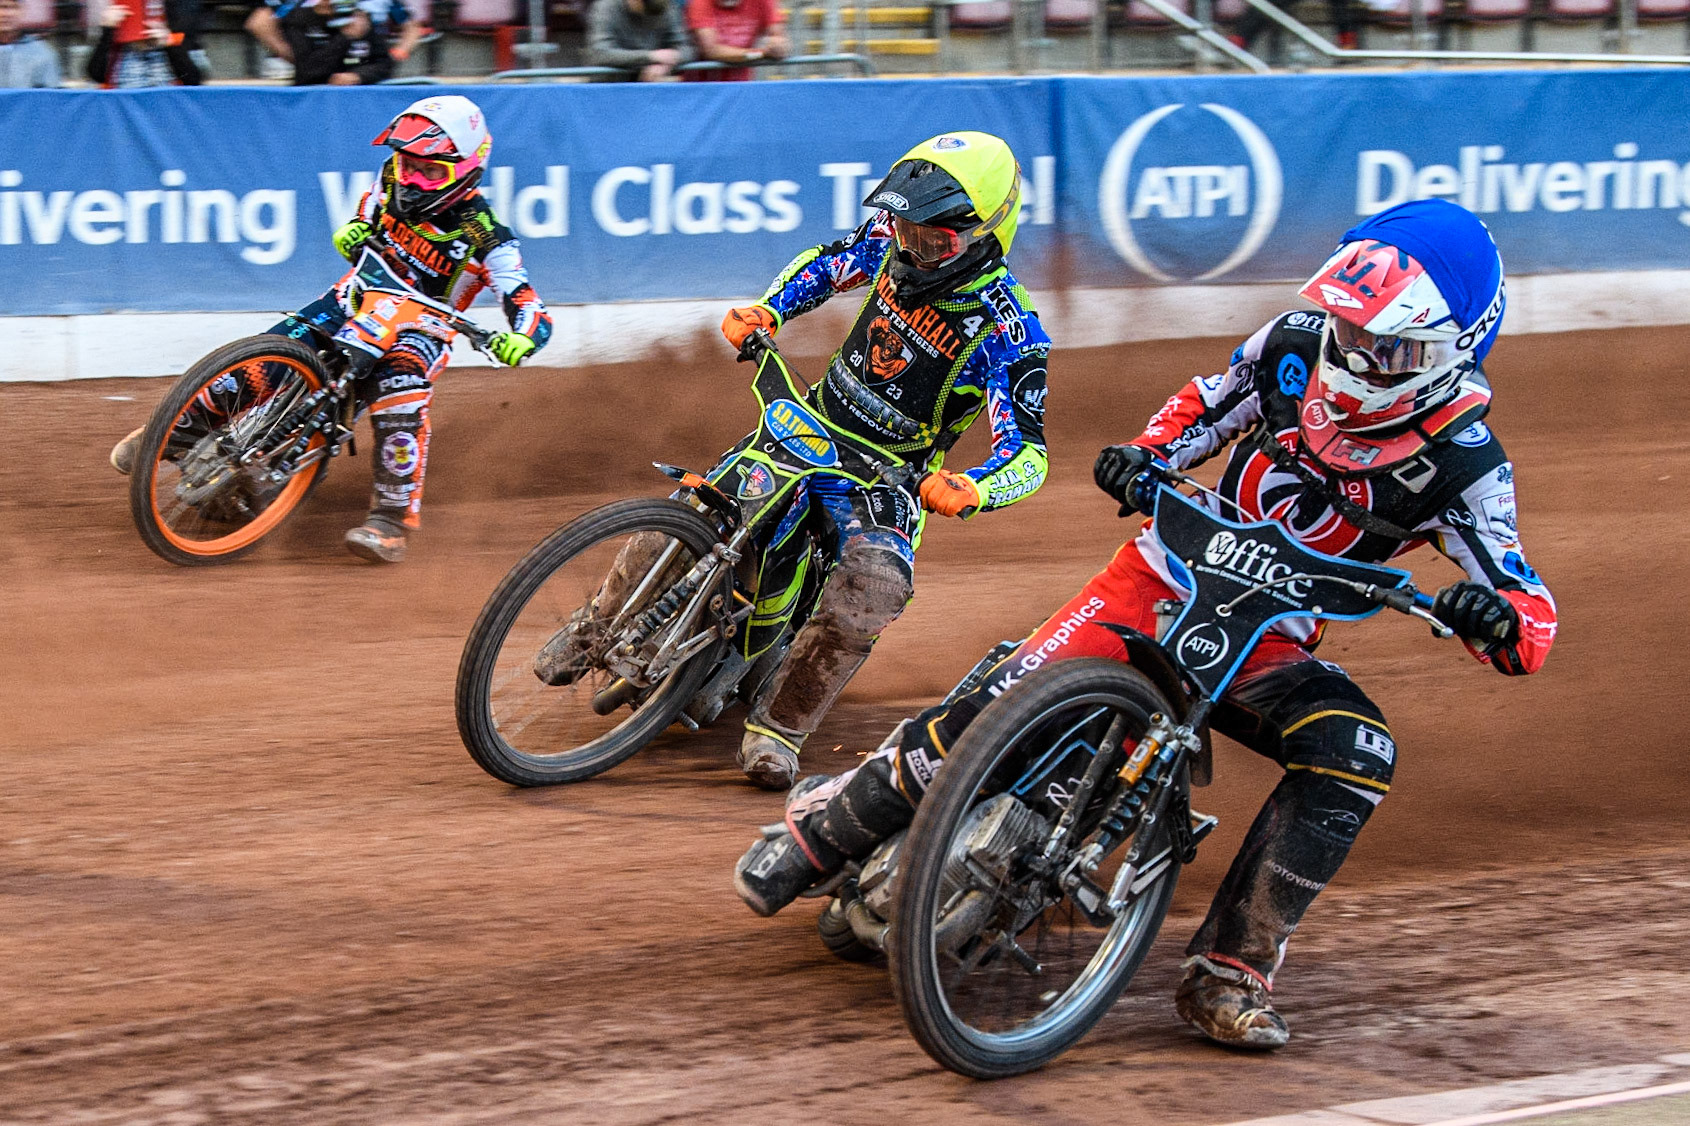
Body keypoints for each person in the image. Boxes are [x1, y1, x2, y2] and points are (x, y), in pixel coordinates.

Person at [733, 198, 1557, 1049]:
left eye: (1387, 346)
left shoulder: (1467, 466)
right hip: (1162, 574)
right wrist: (1146, 455)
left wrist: (1492, 618)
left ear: (1452, 351)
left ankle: (1231, 971)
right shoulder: (1292, 344)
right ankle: (821, 832)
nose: (1356, 354)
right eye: (1351, 329)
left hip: (1265, 641)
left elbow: (1530, 614)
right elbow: (1207, 405)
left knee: (1358, 750)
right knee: (1005, 695)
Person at [698, 131, 1051, 790]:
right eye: (905, 230)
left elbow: (1028, 452)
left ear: (985, 234)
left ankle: (778, 730)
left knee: (877, 581)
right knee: (708, 501)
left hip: (888, 477)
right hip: (812, 422)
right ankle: (599, 620)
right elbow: (829, 263)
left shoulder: (1009, 329)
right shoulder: (893, 239)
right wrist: (769, 308)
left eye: (932, 241)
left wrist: (974, 487)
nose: (910, 248)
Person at [110, 96, 552, 565]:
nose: (411, 179)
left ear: (466, 171)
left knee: (400, 393)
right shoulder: (389, 180)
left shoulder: (489, 237)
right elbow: (363, 220)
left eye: (429, 172)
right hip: (353, 299)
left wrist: (521, 338)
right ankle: (172, 431)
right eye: (408, 165)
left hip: (418, 330)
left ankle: (391, 521)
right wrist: (353, 232)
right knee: (267, 358)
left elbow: (529, 306)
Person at [280, 0, 418, 85]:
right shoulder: (299, 20)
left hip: (357, 95)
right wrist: (345, 38)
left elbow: (383, 64)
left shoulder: (358, 18)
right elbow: (307, 70)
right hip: (316, 95)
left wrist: (358, 76)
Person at [87, 0, 202, 86]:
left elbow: (193, 79)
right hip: (125, 104)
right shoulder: (118, 50)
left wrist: (169, 42)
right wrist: (108, 30)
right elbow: (96, 75)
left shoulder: (178, 20)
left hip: (166, 103)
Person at [585, 0, 691, 80]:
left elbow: (687, 49)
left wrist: (668, 62)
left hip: (652, 85)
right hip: (611, 85)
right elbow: (599, 53)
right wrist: (651, 57)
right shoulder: (606, 7)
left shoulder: (667, 7)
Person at [684, 0, 786, 81]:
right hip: (703, 85)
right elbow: (711, 51)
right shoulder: (699, 3)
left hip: (740, 84)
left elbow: (779, 38)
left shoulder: (763, 2)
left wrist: (778, 46)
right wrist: (761, 53)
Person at [0, 0, 61, 86]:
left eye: (12, 7)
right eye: (1, 7)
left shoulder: (41, 53)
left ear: (22, 11)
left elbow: (50, 92)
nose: (5, 14)